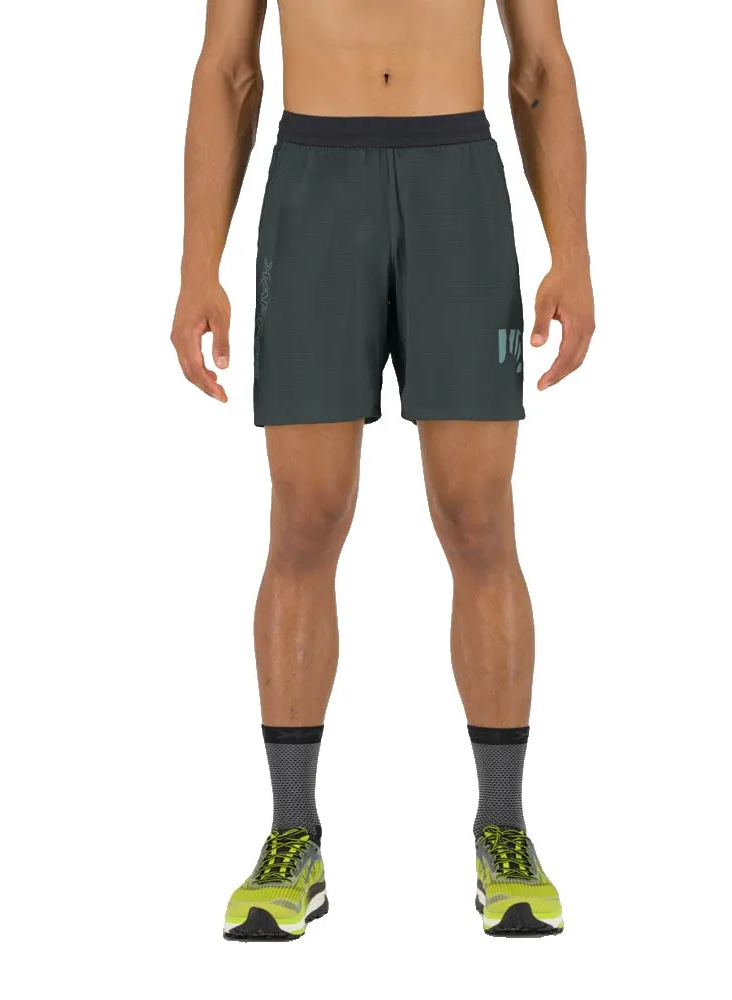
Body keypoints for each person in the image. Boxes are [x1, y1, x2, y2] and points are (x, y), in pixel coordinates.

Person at [170, 0, 594, 940]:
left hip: (458, 186)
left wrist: (572, 253)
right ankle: (292, 834)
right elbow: (229, 69)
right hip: (315, 187)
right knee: (306, 517)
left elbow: (539, 65)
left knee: (478, 516)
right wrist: (199, 266)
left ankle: (504, 829)